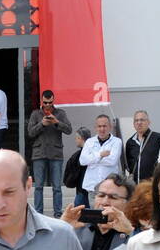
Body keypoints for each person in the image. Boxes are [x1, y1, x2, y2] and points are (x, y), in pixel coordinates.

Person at [26, 89, 73, 219]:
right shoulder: (36, 114)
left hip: (55, 153)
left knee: (57, 187)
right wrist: (42, 124)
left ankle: (58, 214)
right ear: (42, 101)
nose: (47, 105)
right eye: (45, 102)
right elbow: (30, 132)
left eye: (50, 102)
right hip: (39, 153)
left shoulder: (60, 113)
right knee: (39, 186)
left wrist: (56, 122)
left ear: (53, 100)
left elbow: (69, 129)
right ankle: (38, 214)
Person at [78, 114, 123, 205]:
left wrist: (92, 158)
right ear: (95, 127)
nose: (102, 129)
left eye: (104, 126)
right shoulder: (89, 142)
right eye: (99, 126)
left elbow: (112, 161)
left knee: (109, 216)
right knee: (95, 216)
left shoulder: (117, 141)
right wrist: (100, 155)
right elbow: (82, 161)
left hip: (110, 188)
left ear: (110, 127)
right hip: (92, 187)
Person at [124, 111, 160, 182]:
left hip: (153, 183)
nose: (139, 122)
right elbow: (128, 164)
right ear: (133, 124)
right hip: (136, 185)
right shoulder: (130, 142)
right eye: (136, 120)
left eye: (142, 120)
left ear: (149, 122)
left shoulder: (159, 138)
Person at [63, 127, 92, 205]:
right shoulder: (94, 152)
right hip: (86, 190)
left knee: (80, 213)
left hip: (82, 190)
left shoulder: (79, 155)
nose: (75, 140)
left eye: (76, 138)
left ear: (80, 138)